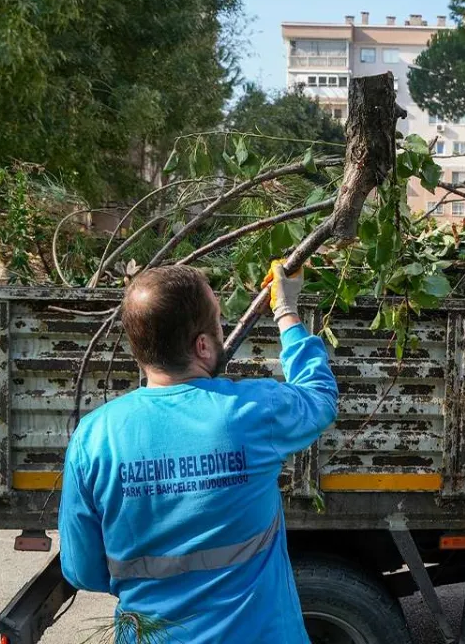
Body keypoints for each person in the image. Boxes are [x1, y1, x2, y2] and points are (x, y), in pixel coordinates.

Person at [58, 262, 338, 643]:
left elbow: (81, 570)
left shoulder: (94, 437)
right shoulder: (252, 413)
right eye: (219, 322)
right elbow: (319, 396)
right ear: (202, 346)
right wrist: (286, 309)